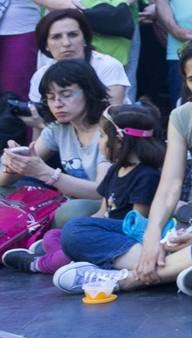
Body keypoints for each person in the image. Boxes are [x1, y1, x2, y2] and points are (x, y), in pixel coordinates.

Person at [53, 37, 192, 297]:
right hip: (190, 224)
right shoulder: (182, 116)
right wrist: (153, 238)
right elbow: (170, 185)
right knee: (76, 230)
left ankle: (130, 279)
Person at [4, 100, 164, 274]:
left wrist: (87, 230)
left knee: (75, 231)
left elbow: (136, 224)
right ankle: (69, 253)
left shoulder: (146, 176)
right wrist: (88, 226)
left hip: (123, 235)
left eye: (102, 136)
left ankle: (39, 264)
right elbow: (103, 211)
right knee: (57, 234)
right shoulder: (115, 170)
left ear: (119, 140)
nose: (99, 142)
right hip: (105, 228)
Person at [1, 60, 110, 227]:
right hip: (68, 199)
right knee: (5, 190)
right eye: (51, 98)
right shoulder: (57, 129)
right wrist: (14, 164)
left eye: (66, 95)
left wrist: (47, 173)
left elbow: (101, 191)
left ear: (89, 92)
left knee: (69, 212)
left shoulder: (107, 129)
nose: (57, 103)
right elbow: (7, 179)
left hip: (105, 205)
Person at [28, 9, 129, 109]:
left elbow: (110, 116)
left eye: (73, 35)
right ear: (46, 45)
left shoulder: (107, 66)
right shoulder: (40, 76)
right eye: (56, 37)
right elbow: (39, 119)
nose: (66, 43)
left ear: (85, 39)